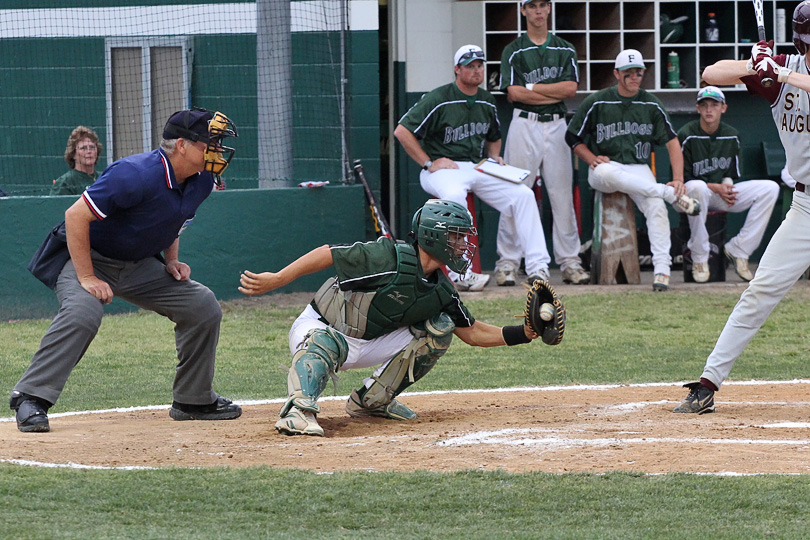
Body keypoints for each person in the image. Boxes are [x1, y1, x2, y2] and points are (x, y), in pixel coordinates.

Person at [10, 108, 240, 433]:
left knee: (202, 305)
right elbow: (76, 217)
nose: (216, 151)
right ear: (183, 145)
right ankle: (31, 397)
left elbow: (176, 220)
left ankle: (193, 398)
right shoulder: (134, 173)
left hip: (139, 264)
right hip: (87, 257)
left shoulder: (202, 180)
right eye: (210, 143)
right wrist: (88, 277)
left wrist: (171, 260)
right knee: (83, 312)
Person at [238, 199, 544, 437]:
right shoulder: (389, 256)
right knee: (322, 343)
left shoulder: (442, 289)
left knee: (441, 328)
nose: (463, 246)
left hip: (370, 342)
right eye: (456, 237)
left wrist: (526, 332)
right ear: (434, 236)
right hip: (323, 327)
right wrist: (278, 278)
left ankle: (371, 402)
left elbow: (472, 332)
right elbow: (328, 253)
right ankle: (298, 410)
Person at [674, 0, 810, 414]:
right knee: (761, 290)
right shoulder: (783, 66)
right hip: (806, 206)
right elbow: (711, 74)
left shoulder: (789, 71)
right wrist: (755, 63)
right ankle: (708, 382)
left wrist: (782, 73)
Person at [393, 44, 551, 290]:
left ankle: (537, 267)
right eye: (470, 66)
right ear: (457, 69)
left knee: (523, 195)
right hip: (443, 169)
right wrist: (428, 162)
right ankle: (460, 273)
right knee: (455, 197)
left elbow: (494, 135)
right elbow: (402, 131)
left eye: (480, 65)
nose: (477, 71)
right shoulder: (439, 97)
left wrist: (495, 157)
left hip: (476, 166)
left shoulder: (486, 100)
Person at [565, 49, 702, 292]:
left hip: (638, 168)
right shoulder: (598, 100)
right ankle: (669, 194)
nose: (634, 77)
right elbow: (572, 136)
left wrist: (679, 179)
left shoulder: (650, 103)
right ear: (616, 74)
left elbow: (672, 143)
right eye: (628, 73)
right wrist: (591, 158)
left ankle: (662, 271)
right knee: (608, 173)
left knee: (656, 208)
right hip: (607, 167)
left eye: (638, 72)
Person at [496, 0, 589, 287]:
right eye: (531, 5)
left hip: (558, 124)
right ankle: (508, 262)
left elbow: (570, 90)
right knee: (515, 193)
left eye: (542, 5)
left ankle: (570, 261)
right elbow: (513, 94)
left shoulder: (564, 48)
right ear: (522, 10)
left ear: (549, 9)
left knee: (561, 196)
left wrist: (533, 89)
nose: (538, 10)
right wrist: (549, 93)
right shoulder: (513, 50)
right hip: (524, 123)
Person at [678, 86, 779, 283]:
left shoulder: (732, 135)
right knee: (697, 187)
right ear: (697, 108)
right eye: (704, 105)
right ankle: (699, 257)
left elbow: (731, 174)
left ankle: (739, 249)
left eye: (714, 105)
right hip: (691, 197)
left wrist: (727, 187)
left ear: (723, 108)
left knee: (770, 188)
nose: (709, 110)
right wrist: (716, 187)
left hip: (718, 195)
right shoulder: (686, 134)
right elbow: (685, 180)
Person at [50, 126, 102, 196]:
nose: (89, 151)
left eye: (92, 147)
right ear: (73, 154)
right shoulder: (64, 183)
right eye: (83, 148)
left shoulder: (104, 178)